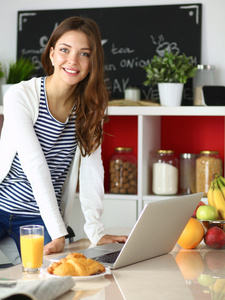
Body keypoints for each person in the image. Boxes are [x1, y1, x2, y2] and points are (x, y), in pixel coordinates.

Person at [0, 16, 127, 259]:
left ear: (92, 62)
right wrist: (58, 231)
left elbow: (92, 170)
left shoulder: (91, 107)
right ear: (51, 55)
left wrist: (96, 231)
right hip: (2, 205)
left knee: (49, 280)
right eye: (64, 50)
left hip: (39, 216)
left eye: (84, 54)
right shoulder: (20, 96)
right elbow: (34, 165)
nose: (73, 61)